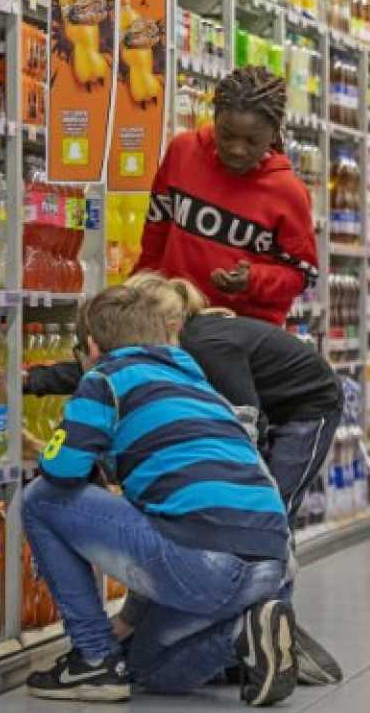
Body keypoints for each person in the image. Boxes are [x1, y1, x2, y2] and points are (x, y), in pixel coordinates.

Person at [23, 272, 345, 686]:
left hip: (205, 562)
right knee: (149, 669)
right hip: (271, 562)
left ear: (91, 348)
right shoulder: (196, 380)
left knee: (40, 499)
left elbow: (62, 471)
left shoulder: (104, 379)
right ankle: (241, 633)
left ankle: (93, 658)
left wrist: (46, 446)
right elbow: (168, 509)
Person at [133, 66, 318, 326]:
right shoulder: (182, 152)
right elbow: (155, 235)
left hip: (244, 332)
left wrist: (251, 280)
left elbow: (302, 275)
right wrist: (138, 294)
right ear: (215, 118)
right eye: (227, 135)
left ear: (274, 134)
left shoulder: (288, 192)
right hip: (173, 321)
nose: (237, 150)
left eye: (251, 141)